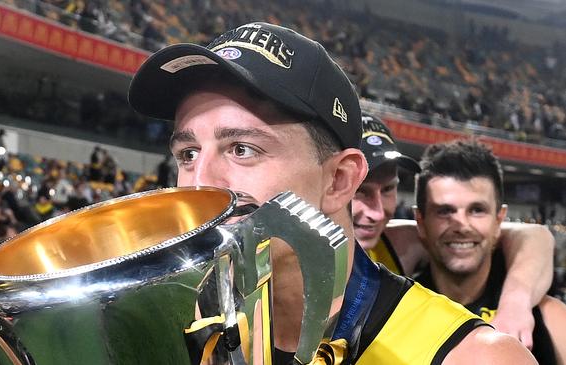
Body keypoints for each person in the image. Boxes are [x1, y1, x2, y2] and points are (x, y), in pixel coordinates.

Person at [128, 22, 535, 364]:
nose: (200, 184)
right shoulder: (171, 324)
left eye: (242, 149)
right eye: (188, 153)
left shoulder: (472, 357)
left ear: (340, 180)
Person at [354, 114, 555, 348]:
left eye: (388, 189)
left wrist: (515, 302)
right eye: (360, 190)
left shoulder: (391, 244)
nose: (377, 212)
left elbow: (532, 236)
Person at [414, 139, 566, 364]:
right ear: (420, 222)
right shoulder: (393, 311)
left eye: (477, 210)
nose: (461, 225)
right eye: (445, 211)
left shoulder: (548, 317)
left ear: (499, 221)